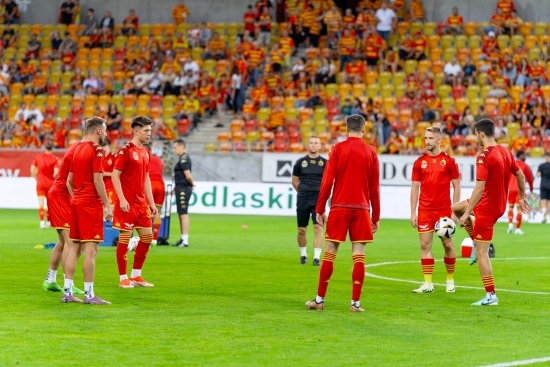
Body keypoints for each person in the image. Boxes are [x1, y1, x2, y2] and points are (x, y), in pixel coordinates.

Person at [305, 115, 380, 312]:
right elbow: (375, 188)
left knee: (330, 253)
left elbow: (327, 182)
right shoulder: (371, 151)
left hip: (339, 207)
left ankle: (319, 301)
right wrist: (376, 216)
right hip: (362, 209)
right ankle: (355, 304)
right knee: (359, 255)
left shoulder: (337, 149)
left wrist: (320, 208)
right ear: (364, 130)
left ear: (347, 128)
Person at [452, 119, 530, 306]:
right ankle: (473, 241)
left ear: (481, 134)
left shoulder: (484, 156)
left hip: (486, 207)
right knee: (455, 208)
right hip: (496, 204)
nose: (475, 138)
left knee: (482, 254)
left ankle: (491, 295)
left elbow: (479, 188)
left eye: (475, 134)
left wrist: (467, 214)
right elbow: (520, 175)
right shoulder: (505, 151)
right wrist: (521, 197)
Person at [63, 117, 113, 304]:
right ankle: (89, 295)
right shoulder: (96, 151)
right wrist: (107, 204)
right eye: (105, 130)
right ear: (98, 131)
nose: (106, 134)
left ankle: (67, 292)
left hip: (76, 201)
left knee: (74, 248)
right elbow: (98, 181)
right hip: (90, 204)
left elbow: (69, 181)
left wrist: (77, 196)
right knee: (91, 250)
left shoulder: (76, 150)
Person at [410, 126, 461, 294]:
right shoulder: (419, 162)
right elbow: (415, 188)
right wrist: (413, 212)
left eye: (431, 138)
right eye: (426, 138)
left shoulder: (449, 161)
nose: (427, 141)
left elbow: (456, 186)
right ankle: (428, 284)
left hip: (443, 211)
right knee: (425, 246)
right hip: (425, 210)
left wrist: (454, 211)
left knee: (447, 244)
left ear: (439, 140)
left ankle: (450, 279)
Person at [112, 116, 157, 289]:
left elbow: (146, 177)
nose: (149, 134)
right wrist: (122, 199)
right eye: (146, 130)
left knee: (147, 237)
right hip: (127, 203)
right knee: (125, 238)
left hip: (141, 203)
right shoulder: (126, 151)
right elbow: (115, 175)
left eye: (150, 131)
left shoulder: (146, 152)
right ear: (136, 131)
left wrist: (151, 202)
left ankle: (136, 275)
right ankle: (123, 277)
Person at [42, 139, 85, 295]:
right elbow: (70, 181)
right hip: (62, 197)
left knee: (62, 242)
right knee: (72, 243)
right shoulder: (81, 151)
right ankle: (69, 284)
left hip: (58, 194)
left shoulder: (77, 147)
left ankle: (50, 280)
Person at [291, 136, 327, 266]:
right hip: (303, 199)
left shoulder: (325, 163)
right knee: (302, 230)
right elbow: (294, 182)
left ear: (319, 146)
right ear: (308, 145)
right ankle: (303, 254)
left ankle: (316, 258)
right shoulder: (300, 162)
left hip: (318, 200)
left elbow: (329, 182)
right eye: (311, 143)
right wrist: (303, 193)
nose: (313, 145)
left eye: (316, 143)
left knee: (318, 227)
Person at [31, 142, 59, 229]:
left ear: (45, 147)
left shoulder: (38, 157)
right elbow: (56, 172)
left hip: (40, 183)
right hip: (50, 184)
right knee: (49, 204)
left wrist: (36, 178)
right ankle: (49, 222)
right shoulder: (55, 159)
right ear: (52, 149)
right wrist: (52, 177)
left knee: (41, 203)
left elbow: (32, 169)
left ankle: (42, 222)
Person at [172, 139, 194, 248]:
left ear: (182, 147)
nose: (174, 150)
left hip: (183, 189)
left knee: (183, 213)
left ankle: (185, 240)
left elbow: (188, 175)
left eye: (175, 148)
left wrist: (191, 184)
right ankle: (182, 238)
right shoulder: (182, 158)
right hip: (180, 188)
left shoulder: (183, 159)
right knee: (181, 213)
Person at [507, 150, 534, 234]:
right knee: (519, 209)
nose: (525, 156)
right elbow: (529, 178)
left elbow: (506, 177)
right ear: (521, 155)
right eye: (524, 155)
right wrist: (531, 188)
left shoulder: (510, 164)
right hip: (520, 190)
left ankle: (510, 225)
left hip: (511, 189)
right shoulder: (525, 166)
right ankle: (517, 229)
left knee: (510, 208)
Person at [145, 144, 166, 245]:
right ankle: (155, 239)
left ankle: (146, 237)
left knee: (147, 212)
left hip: (150, 185)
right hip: (161, 185)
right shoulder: (158, 159)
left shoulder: (143, 158)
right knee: (158, 212)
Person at [99, 140, 116, 207]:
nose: (104, 151)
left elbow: (121, 173)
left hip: (110, 186)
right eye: (102, 150)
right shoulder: (98, 158)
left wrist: (106, 174)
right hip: (100, 188)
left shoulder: (114, 157)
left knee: (110, 206)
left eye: (105, 149)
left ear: (108, 148)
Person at [537, 152, 550, 223]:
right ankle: (547, 218)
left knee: (543, 201)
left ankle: (543, 216)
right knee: (549, 202)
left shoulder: (542, 166)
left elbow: (538, 175)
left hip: (543, 185)